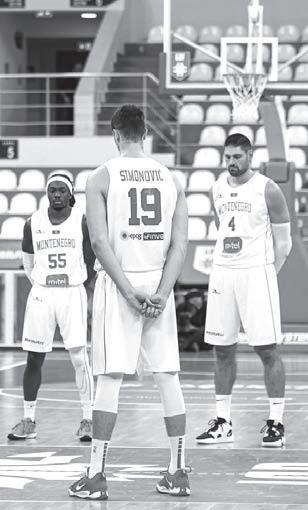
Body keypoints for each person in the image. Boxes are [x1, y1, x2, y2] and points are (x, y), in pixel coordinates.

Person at [68, 104, 190, 500]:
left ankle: (96, 475)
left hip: (120, 284)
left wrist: (126, 291)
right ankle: (177, 472)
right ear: (146, 134)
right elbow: (180, 245)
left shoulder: (101, 176)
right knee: (167, 376)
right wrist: (163, 293)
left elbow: (99, 242)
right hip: (158, 285)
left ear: (116, 135)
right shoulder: (172, 178)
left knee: (110, 377)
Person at [196, 133, 292, 447]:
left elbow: (284, 244)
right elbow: (221, 228)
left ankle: (276, 422)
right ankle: (223, 422)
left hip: (256, 273)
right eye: (228, 157)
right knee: (222, 349)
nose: (232, 162)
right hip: (223, 272)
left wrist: (267, 274)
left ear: (250, 155)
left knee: (267, 349)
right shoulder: (216, 188)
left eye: (237, 156)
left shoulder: (268, 189)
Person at [8, 172, 94, 442]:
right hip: (43, 293)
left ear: (70, 194)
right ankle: (28, 420)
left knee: (79, 358)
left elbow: (91, 260)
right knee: (34, 358)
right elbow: (28, 261)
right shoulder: (32, 223)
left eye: (61, 190)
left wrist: (80, 285)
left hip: (72, 292)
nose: (57, 194)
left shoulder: (82, 221)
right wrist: (42, 282)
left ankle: (88, 420)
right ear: (47, 193)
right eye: (52, 190)